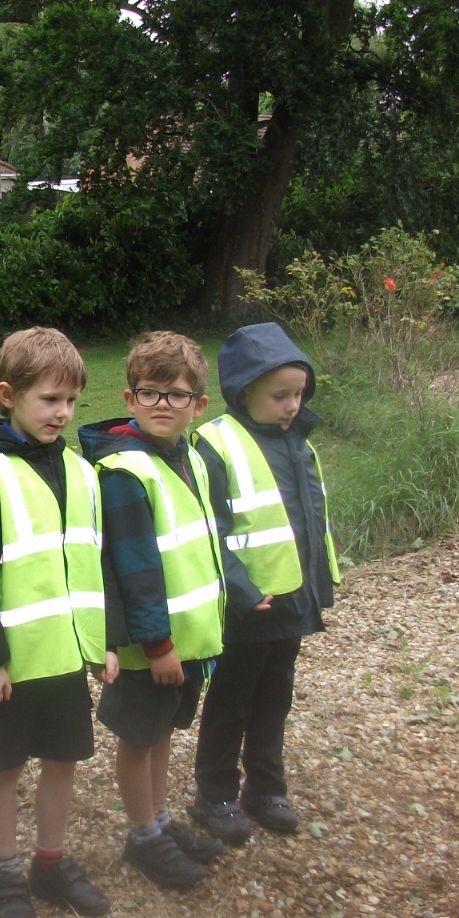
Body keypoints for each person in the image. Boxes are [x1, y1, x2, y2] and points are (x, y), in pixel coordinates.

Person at [0, 327, 112, 918]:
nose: (62, 413)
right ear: (8, 395)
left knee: (64, 760)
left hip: (66, 658)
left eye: (71, 402)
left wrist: (104, 643)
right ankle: (5, 874)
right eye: (49, 400)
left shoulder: (80, 469)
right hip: (10, 667)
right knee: (5, 770)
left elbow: (94, 563)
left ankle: (50, 861)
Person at [78, 331, 228, 890]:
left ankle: (160, 822)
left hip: (182, 639)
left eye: (177, 394)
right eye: (150, 393)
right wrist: (158, 645)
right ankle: (143, 837)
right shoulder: (124, 472)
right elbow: (133, 567)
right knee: (140, 738)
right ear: (129, 400)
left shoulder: (188, 458)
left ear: (199, 406)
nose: (163, 404)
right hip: (151, 646)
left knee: (164, 731)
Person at [189, 323, 339, 844]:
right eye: (280, 395)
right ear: (244, 391)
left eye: (299, 394)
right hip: (246, 606)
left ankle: (265, 787)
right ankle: (215, 794)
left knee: (276, 697)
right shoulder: (216, 444)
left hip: (291, 600)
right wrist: (243, 591)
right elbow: (211, 529)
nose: (292, 405)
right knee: (231, 699)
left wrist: (319, 583)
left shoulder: (297, 442)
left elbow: (307, 520)